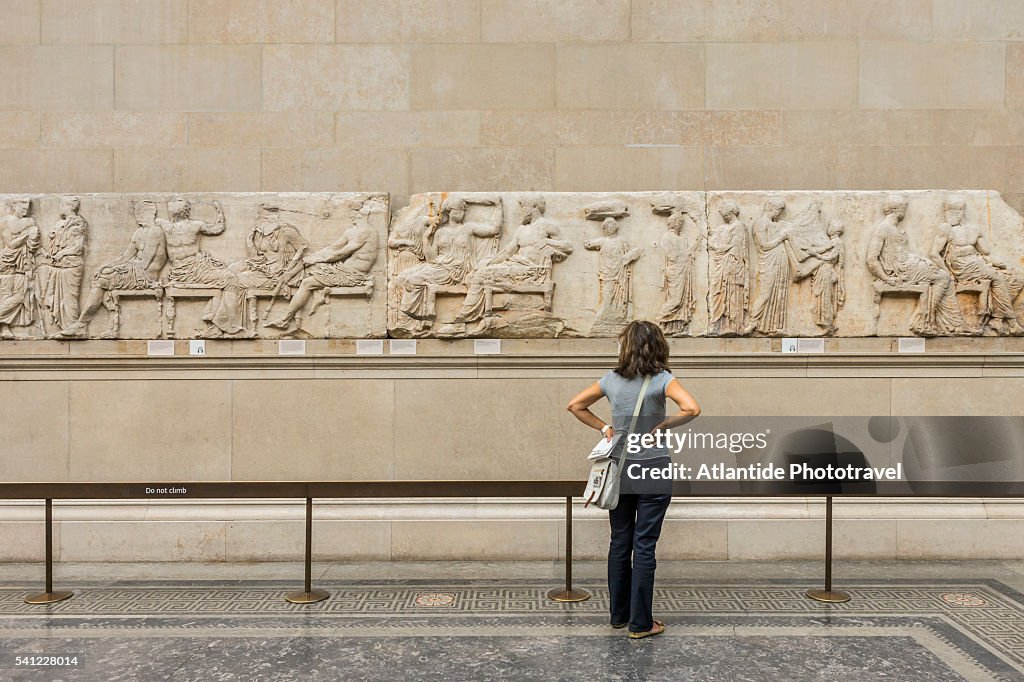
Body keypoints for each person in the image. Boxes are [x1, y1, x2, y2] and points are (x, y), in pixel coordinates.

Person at [566, 320, 701, 639]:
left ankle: (618, 616)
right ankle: (641, 623)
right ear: (658, 346)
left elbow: (575, 405)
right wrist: (665, 424)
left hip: (620, 472)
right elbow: (692, 408)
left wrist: (605, 428)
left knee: (619, 541)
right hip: (653, 470)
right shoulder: (662, 380)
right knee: (644, 546)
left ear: (625, 346)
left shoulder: (611, 380)